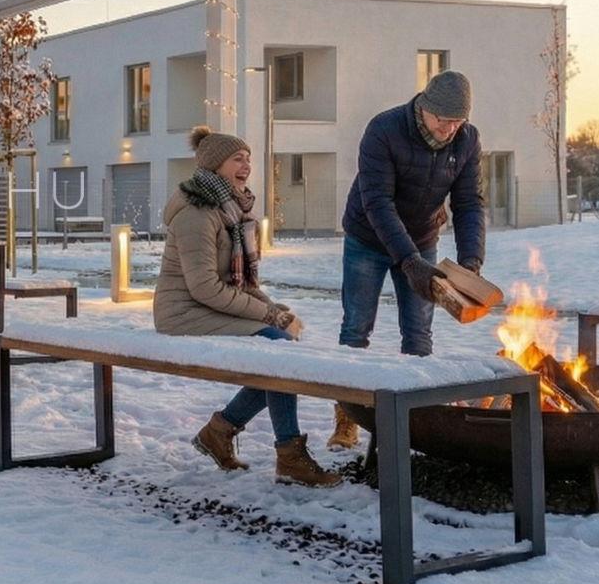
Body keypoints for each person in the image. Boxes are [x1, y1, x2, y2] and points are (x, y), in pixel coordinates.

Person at [157, 126, 339, 488]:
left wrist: (274, 309)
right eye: (237, 159)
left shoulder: (232, 210)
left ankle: (220, 431)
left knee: (279, 350)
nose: (246, 166)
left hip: (207, 306)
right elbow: (205, 288)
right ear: (214, 166)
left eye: (248, 159)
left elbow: (243, 284)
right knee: (278, 350)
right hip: (183, 312)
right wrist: (269, 316)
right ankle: (288, 455)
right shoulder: (197, 214)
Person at [328, 70, 484, 449]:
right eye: (443, 120)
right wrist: (409, 261)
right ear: (424, 107)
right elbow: (377, 201)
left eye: (458, 121)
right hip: (368, 236)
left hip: (423, 236)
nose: (449, 129)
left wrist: (470, 262)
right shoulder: (384, 130)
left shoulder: (467, 140)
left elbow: (468, 203)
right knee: (356, 328)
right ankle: (347, 419)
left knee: (418, 332)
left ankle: (416, 421)